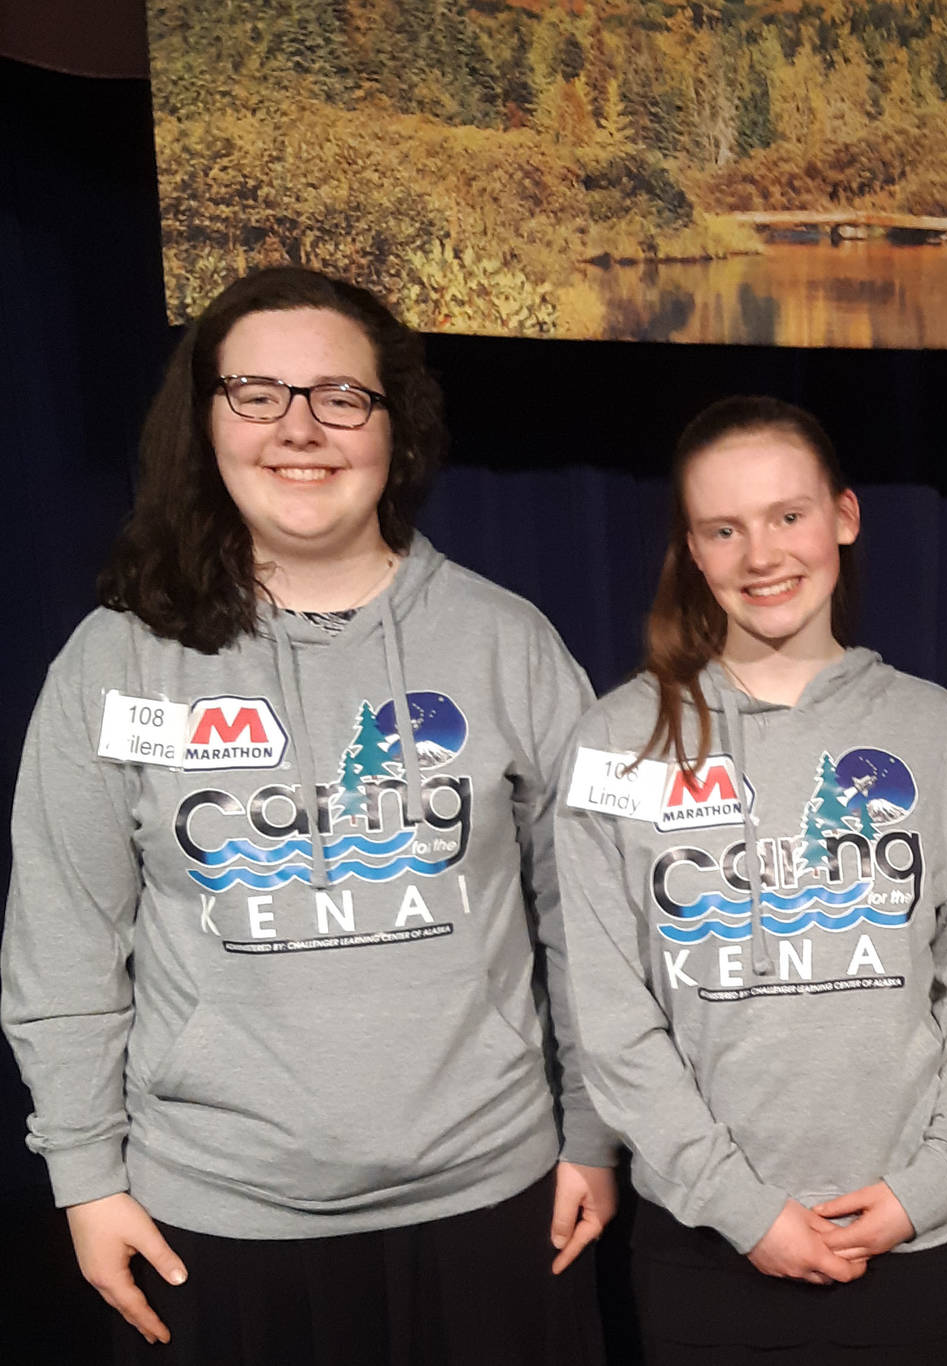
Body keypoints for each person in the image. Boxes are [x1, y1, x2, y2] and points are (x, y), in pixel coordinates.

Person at [0, 266, 613, 1365]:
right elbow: (65, 940)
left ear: (395, 427)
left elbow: (593, 916)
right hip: (215, 1222)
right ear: (205, 420)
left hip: (494, 1201)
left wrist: (595, 1131)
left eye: (340, 396)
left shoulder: (505, 641)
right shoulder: (118, 659)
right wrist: (84, 1175)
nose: (299, 429)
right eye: (257, 394)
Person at [553, 395, 947, 1364]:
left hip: (914, 1242)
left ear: (842, 517)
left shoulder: (928, 726)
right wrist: (743, 1209)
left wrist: (928, 1186)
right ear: (693, 547)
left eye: (787, 516)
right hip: (708, 1250)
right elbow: (610, 1014)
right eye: (725, 528)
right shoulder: (616, 740)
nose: (762, 554)